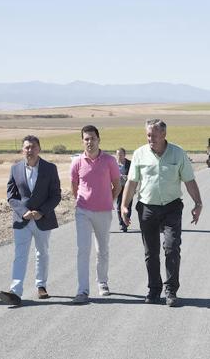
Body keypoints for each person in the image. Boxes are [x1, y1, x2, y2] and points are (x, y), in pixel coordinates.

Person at [120, 119, 202, 307]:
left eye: (154, 135)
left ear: (164, 135)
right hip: (147, 208)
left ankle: (171, 291)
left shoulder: (178, 153)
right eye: (148, 135)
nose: (151, 139)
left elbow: (189, 180)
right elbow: (132, 182)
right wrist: (124, 206)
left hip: (171, 207)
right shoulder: (140, 154)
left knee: (172, 248)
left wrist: (198, 203)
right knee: (151, 252)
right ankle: (154, 289)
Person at [0, 135, 61, 306]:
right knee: (20, 255)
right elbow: (11, 196)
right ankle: (15, 291)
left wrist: (41, 211)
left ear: (39, 149)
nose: (29, 150)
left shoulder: (50, 168)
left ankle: (41, 286)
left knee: (42, 253)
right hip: (22, 220)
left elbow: (56, 195)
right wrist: (23, 211)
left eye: (33, 147)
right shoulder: (15, 169)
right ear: (22, 150)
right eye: (26, 147)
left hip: (43, 218)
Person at [70, 125, 121, 304]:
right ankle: (82, 290)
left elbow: (117, 184)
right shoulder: (76, 162)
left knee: (102, 249)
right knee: (83, 250)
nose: (89, 142)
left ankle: (102, 282)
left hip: (104, 211)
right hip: (83, 211)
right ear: (82, 141)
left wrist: (108, 200)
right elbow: (74, 187)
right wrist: (82, 202)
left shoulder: (109, 161)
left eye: (92, 138)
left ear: (99, 139)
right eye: (86, 139)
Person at [115, 147, 132, 232]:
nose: (119, 156)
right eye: (117, 154)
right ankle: (122, 223)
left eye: (121, 154)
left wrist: (127, 177)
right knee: (118, 206)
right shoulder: (114, 164)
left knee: (128, 206)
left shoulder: (130, 164)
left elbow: (134, 176)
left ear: (124, 155)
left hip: (128, 188)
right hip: (118, 187)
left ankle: (126, 222)